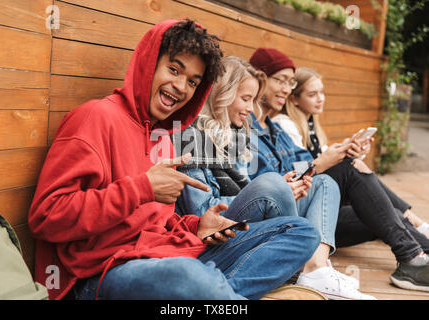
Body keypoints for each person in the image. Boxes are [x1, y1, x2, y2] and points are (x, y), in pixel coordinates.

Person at [28, 20, 320, 301]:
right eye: (173, 69)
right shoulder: (94, 117)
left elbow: (160, 223)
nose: (181, 86)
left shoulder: (164, 135)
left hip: (171, 253)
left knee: (301, 232)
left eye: (193, 81)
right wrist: (140, 188)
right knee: (188, 276)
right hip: (105, 271)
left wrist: (197, 226)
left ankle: (217, 295)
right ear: (148, 64)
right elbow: (46, 218)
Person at [174, 56, 376, 300]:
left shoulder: (236, 134)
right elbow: (203, 211)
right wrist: (273, 191)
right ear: (222, 94)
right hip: (213, 233)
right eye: (246, 99)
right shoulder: (190, 136)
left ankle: (316, 269)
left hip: (246, 221)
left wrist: (283, 188)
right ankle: (298, 262)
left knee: (323, 182)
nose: (250, 109)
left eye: (253, 100)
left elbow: (247, 190)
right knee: (272, 184)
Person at [248, 47, 429, 293]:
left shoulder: (274, 128)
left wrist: (341, 152)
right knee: (351, 174)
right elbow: (277, 182)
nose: (285, 88)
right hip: (288, 217)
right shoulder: (263, 127)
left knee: (380, 210)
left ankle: (419, 255)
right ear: (259, 79)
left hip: (309, 209)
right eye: (280, 80)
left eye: (289, 82)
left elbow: (303, 164)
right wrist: (327, 161)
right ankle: (414, 252)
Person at [275, 66, 429, 241]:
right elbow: (299, 169)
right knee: (379, 209)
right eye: (312, 95)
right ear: (294, 99)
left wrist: (353, 150)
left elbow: (324, 160)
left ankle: (421, 241)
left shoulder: (310, 125)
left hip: (323, 201)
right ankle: (421, 235)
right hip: (306, 208)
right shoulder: (284, 125)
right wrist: (342, 157)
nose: (321, 99)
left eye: (322, 93)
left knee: (385, 212)